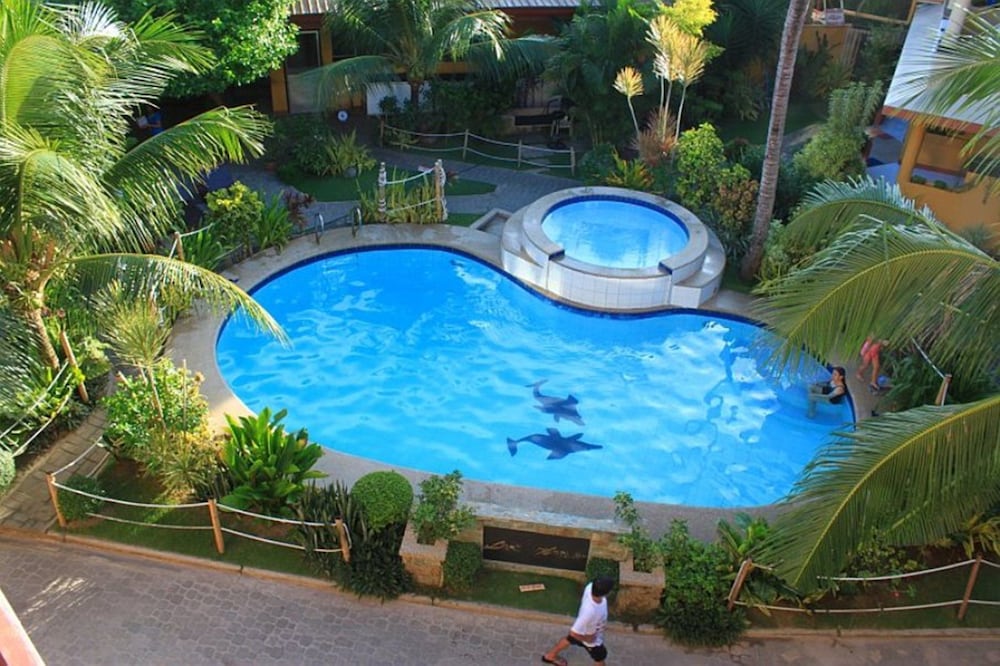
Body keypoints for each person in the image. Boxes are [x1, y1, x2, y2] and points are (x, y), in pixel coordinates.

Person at [542, 576, 614, 666]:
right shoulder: (590, 612)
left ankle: (550, 656)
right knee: (600, 658)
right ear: (606, 593)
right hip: (592, 640)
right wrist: (587, 639)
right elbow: (574, 633)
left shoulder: (590, 587)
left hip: (586, 633)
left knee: (569, 639)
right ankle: (550, 656)